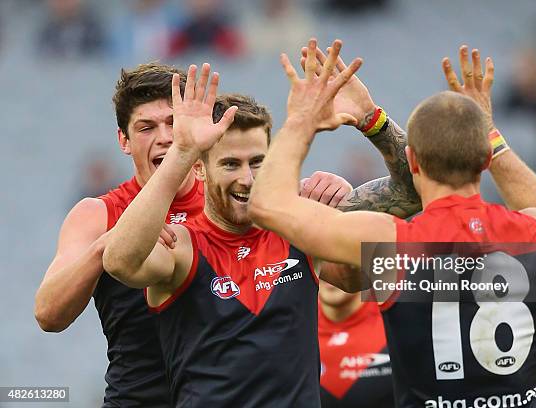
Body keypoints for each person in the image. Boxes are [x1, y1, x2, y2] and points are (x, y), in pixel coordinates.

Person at [248, 39, 536, 407]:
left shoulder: (389, 245)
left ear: (413, 162)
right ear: (484, 159)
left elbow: (266, 203)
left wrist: (304, 118)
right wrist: (489, 134)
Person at [101, 53, 421, 406]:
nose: (247, 178)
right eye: (230, 164)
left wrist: (370, 119)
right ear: (200, 170)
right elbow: (120, 263)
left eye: (257, 162)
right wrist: (182, 150)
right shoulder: (182, 247)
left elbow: (414, 190)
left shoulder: (302, 232)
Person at [34, 62, 352, 407]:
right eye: (146, 127)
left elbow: (362, 274)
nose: (166, 137)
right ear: (123, 141)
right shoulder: (99, 214)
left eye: (174, 122)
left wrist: (343, 205)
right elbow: (49, 314)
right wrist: (106, 245)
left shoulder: (235, 203)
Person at [318, 279, 394, 407]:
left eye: (339, 261)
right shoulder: (293, 326)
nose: (328, 271)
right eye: (320, 259)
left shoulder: (394, 315)